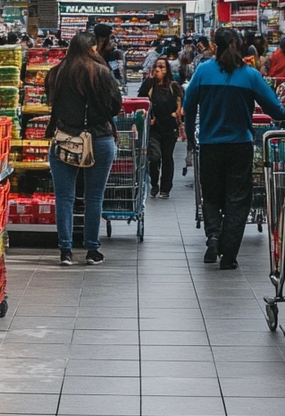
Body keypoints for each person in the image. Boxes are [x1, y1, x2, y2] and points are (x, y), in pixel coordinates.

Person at [183, 28, 285, 269]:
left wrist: (191, 137)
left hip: (210, 145)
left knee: (211, 195)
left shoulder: (203, 71)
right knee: (238, 199)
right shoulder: (250, 75)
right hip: (240, 145)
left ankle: (213, 235)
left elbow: (188, 107)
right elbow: (273, 109)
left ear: (215, 47)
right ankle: (229, 254)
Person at [44, 31, 123, 265]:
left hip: (65, 139)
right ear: (93, 49)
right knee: (94, 198)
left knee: (64, 198)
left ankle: (65, 250)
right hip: (99, 138)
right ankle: (92, 250)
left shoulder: (56, 73)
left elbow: (51, 103)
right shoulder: (101, 72)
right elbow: (116, 106)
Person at [139, 58, 183, 199]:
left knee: (167, 158)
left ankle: (165, 188)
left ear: (167, 70)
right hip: (154, 128)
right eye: (156, 66)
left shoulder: (174, 86)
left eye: (162, 67)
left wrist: (178, 117)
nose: (158, 69)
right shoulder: (148, 85)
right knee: (155, 157)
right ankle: (154, 183)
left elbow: (180, 106)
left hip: (170, 128)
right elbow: (140, 102)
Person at [93, 23, 126, 88]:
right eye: (109, 38)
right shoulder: (93, 54)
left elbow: (116, 72)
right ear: (104, 38)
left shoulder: (111, 54)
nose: (111, 43)